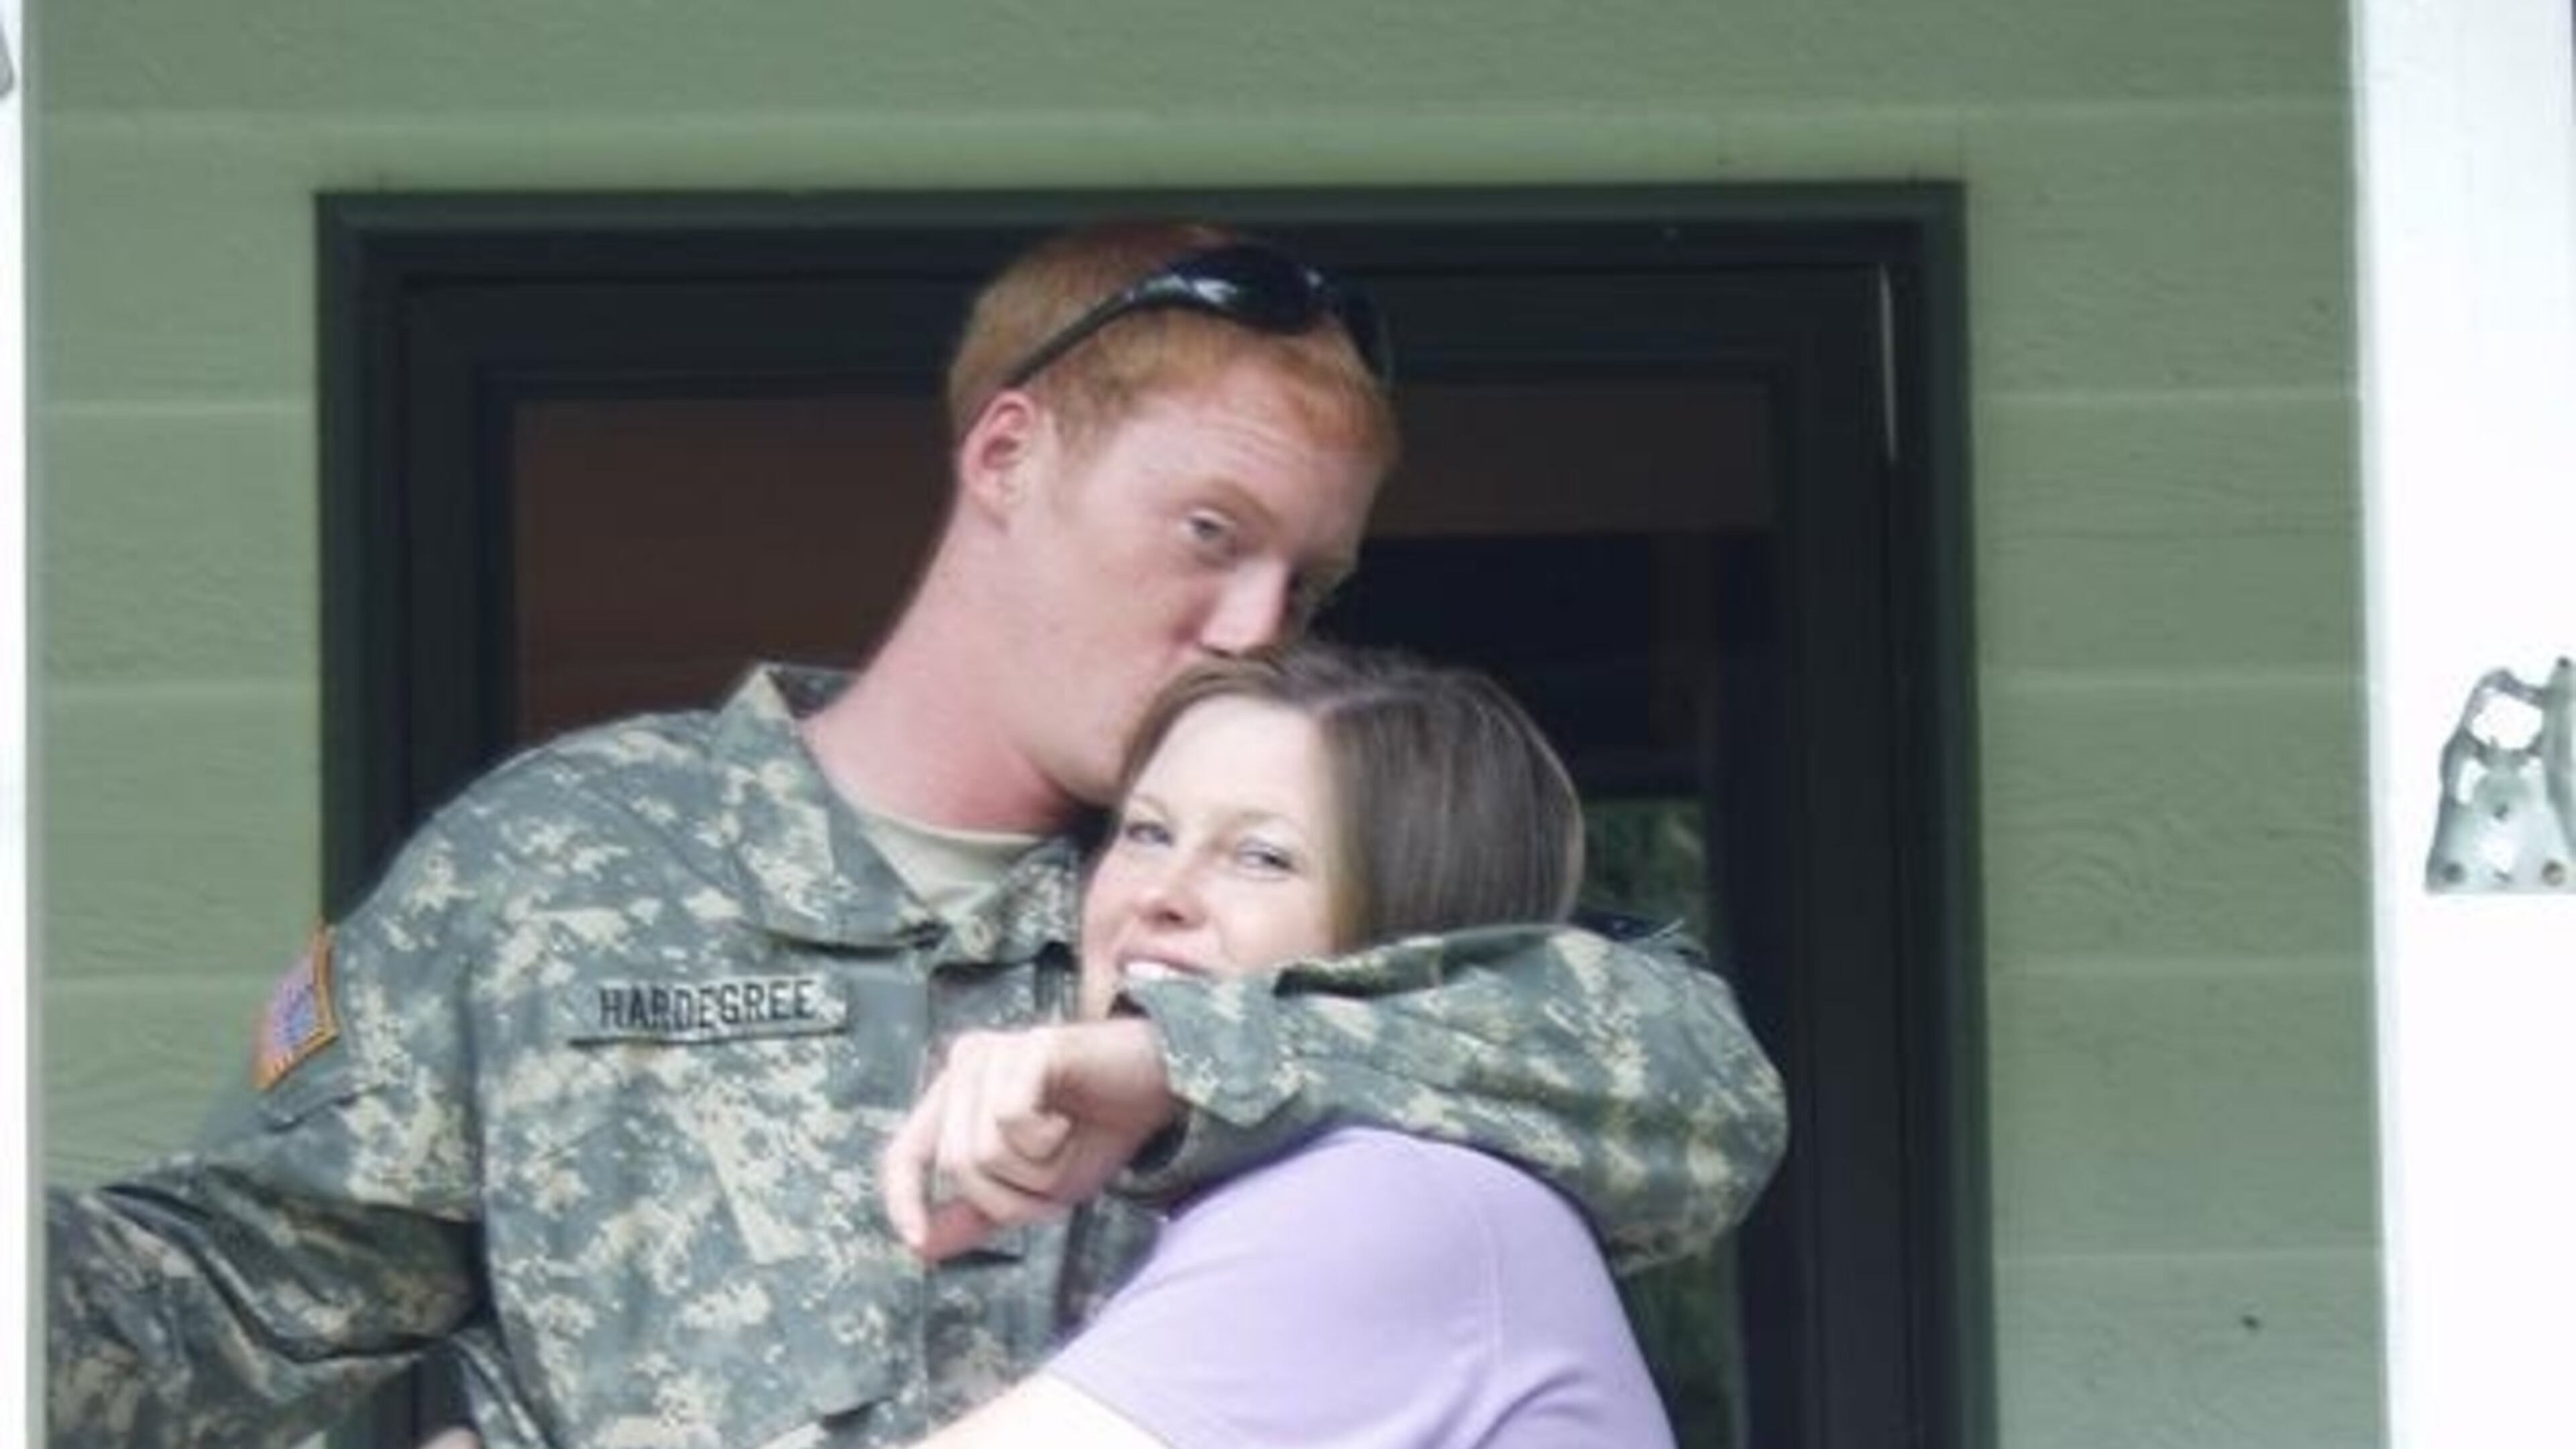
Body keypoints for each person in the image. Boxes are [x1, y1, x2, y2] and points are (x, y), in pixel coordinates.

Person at [45, 219, 1786, 1449]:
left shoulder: (1260, 870)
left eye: (1310, 577)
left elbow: (1689, 1090)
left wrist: (1180, 1058)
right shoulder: (563, 864)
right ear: (1011, 454)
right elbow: (227, 1302)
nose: (1259, 622)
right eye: (1208, 528)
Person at [915, 643, 1677, 1449]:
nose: (1160, 894)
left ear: (1412, 938)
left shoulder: (1384, 1197)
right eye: (1146, 832)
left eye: (1262, 857)